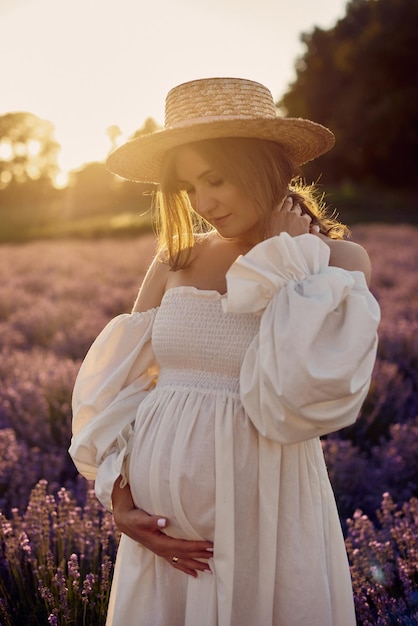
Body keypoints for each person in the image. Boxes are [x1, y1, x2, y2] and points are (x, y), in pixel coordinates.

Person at [69, 77, 380, 626]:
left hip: (265, 511)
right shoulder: (176, 259)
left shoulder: (337, 263)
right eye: (189, 188)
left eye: (215, 179)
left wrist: (289, 264)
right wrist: (120, 502)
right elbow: (124, 387)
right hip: (160, 531)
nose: (203, 203)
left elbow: (297, 400)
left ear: (265, 166)